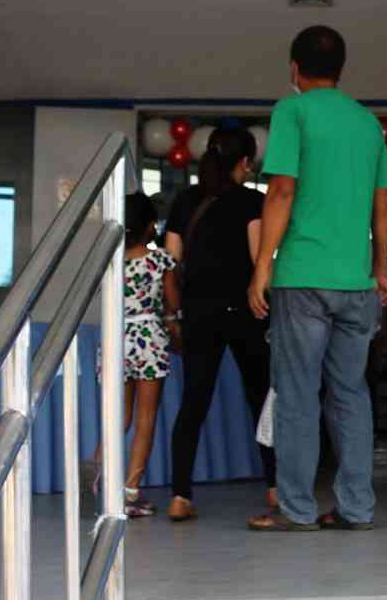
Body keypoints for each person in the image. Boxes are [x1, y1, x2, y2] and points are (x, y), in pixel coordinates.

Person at [247, 25, 387, 533]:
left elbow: (281, 191)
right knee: (350, 394)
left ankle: (297, 509)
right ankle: (356, 508)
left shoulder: (292, 112)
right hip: (356, 283)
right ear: (341, 69)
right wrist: (379, 269)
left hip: (304, 279)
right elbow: (381, 204)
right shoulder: (367, 124)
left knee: (297, 394)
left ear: (294, 67)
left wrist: (262, 265)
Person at [163, 126, 274, 521]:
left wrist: (174, 313)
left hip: (198, 312)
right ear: (244, 162)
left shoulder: (185, 201)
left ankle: (180, 495)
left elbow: (171, 263)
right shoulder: (252, 201)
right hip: (245, 309)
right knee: (261, 397)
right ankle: (276, 487)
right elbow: (259, 259)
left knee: (193, 402)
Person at [115, 193, 176, 519]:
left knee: (117, 417)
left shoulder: (111, 262)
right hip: (148, 339)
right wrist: (176, 329)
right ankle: (129, 492)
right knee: (145, 419)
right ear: (150, 226)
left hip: (116, 338)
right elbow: (172, 305)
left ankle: (97, 478)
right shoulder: (160, 260)